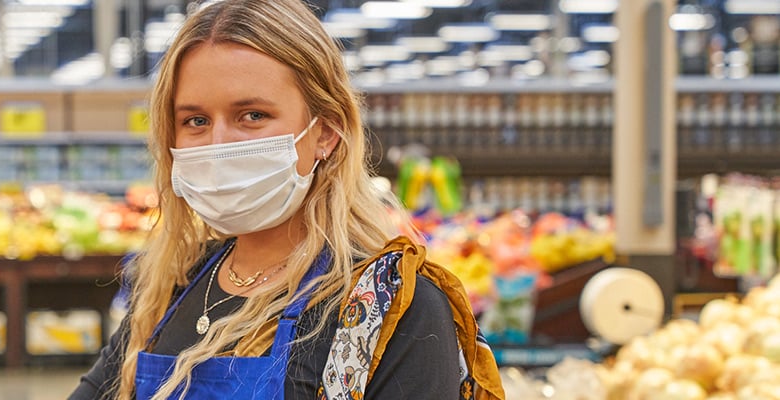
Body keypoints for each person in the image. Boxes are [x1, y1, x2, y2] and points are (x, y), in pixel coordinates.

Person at [69, 0, 505, 399]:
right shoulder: (169, 287)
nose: (219, 145)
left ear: (326, 133)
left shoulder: (390, 307)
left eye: (252, 115)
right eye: (196, 120)